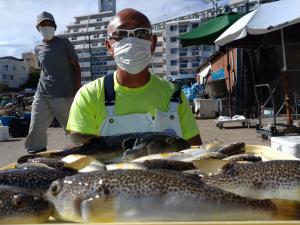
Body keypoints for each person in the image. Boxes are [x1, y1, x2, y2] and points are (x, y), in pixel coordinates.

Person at [66, 8, 202, 146]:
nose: (131, 42)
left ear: (153, 43)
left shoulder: (175, 95)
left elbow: (195, 152)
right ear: (109, 46)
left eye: (141, 33)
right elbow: (77, 158)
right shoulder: (89, 95)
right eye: (120, 35)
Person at [25, 11, 81, 153]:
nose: (46, 27)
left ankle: (79, 152)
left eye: (49, 24)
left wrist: (77, 89)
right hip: (42, 92)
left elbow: (76, 66)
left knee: (71, 128)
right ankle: (34, 153)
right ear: (38, 28)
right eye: (43, 24)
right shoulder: (38, 48)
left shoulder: (64, 43)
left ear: (54, 26)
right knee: (35, 126)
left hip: (64, 93)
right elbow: (44, 69)